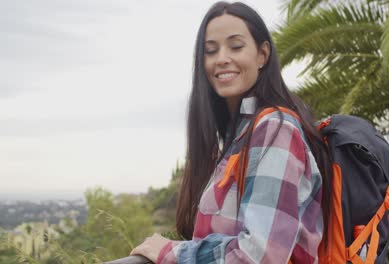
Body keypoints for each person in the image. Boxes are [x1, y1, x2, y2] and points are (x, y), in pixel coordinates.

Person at [130, 2, 331, 263]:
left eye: (236, 46)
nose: (222, 58)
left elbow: (260, 255)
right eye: (210, 50)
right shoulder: (239, 136)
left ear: (262, 54)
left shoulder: (275, 130)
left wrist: (170, 252)